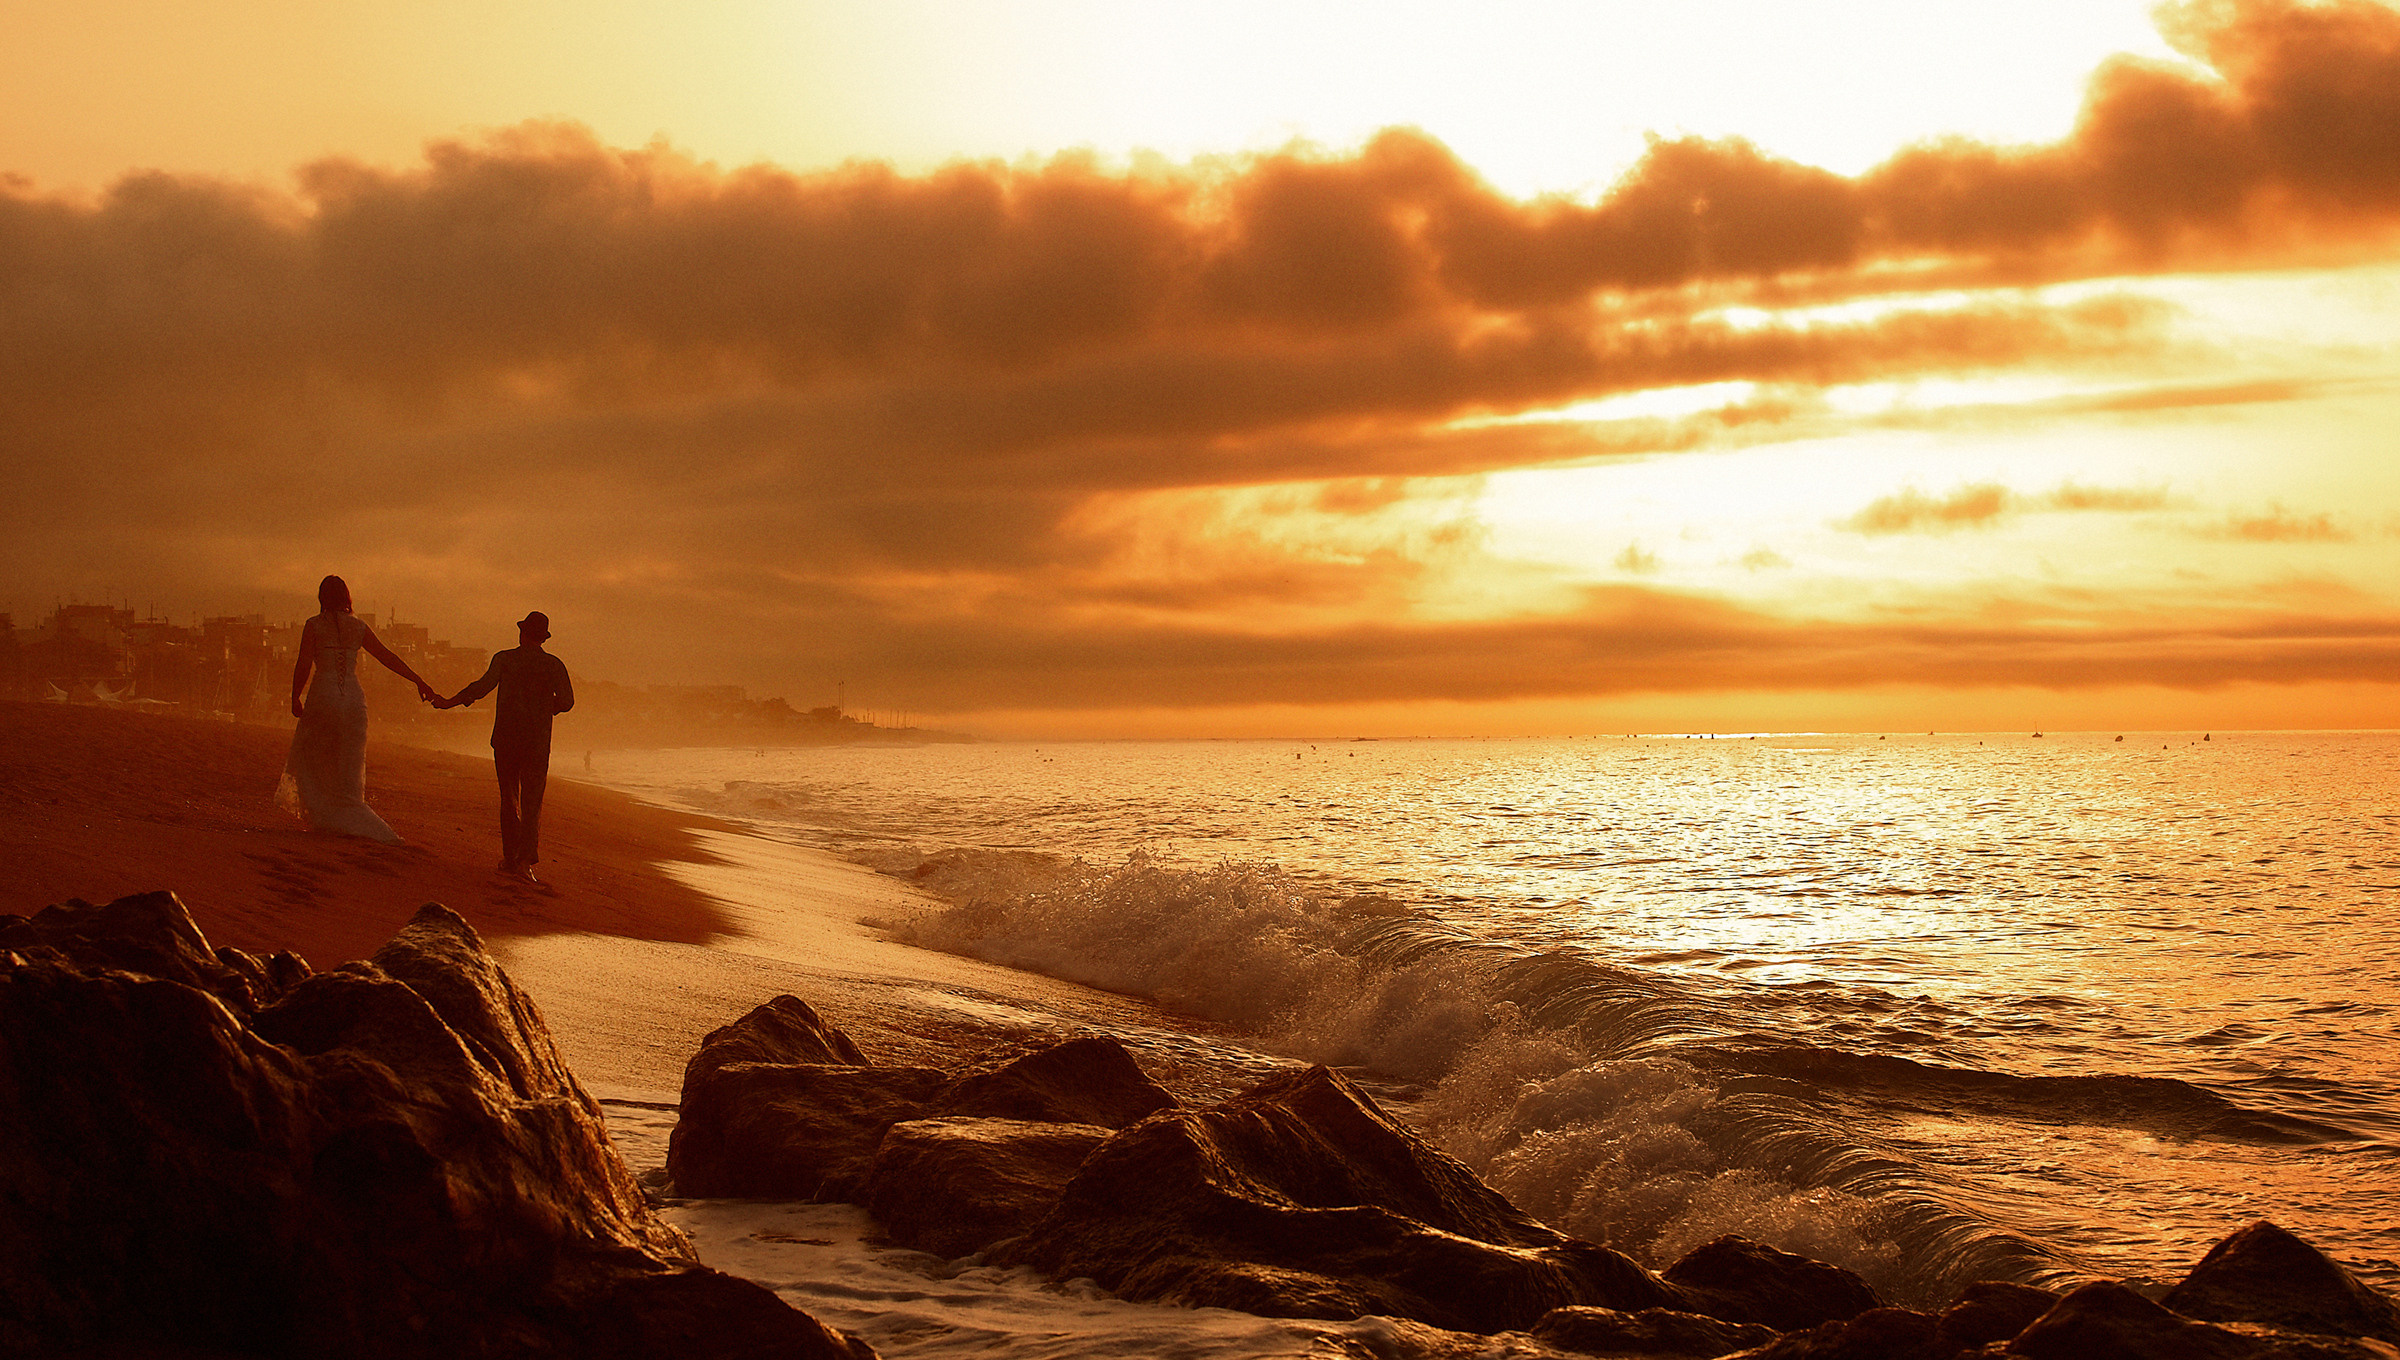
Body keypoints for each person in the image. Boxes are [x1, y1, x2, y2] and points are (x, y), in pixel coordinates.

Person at [279, 574, 440, 842]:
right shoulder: (358, 627)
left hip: (323, 696)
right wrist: (417, 680)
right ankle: (349, 818)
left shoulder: (314, 625)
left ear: (322, 598)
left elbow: (304, 662)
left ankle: (327, 818)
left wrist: (295, 695)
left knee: (313, 758)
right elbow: (386, 656)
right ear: (346, 597)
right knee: (346, 768)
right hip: (353, 701)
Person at [435, 611, 574, 883]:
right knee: (532, 803)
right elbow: (567, 702)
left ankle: (510, 858)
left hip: (506, 740)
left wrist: (449, 702)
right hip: (536, 742)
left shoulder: (504, 659)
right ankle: (525, 863)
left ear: (522, 633)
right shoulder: (554, 665)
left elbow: (481, 687)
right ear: (543, 638)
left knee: (509, 800)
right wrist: (548, 708)